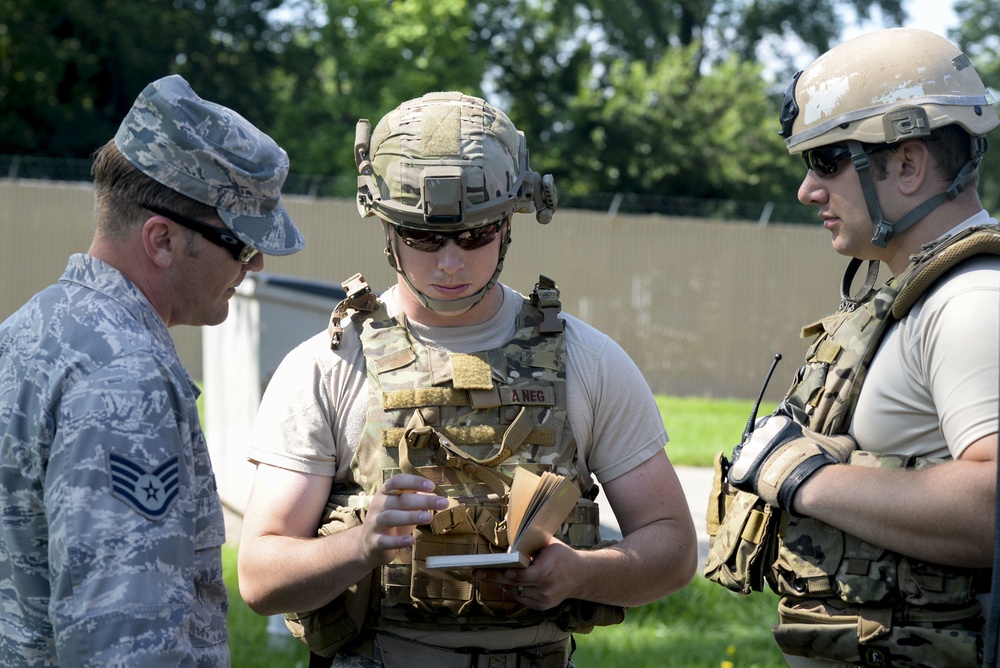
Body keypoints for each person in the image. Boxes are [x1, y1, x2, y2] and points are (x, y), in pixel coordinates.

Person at [237, 91, 698, 667]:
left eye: (475, 235)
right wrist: (361, 545)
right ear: (384, 226)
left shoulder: (587, 360)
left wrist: (582, 573)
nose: (450, 262)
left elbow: (673, 549)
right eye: (424, 238)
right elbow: (259, 577)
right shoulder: (329, 364)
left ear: (510, 224)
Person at [0, 74, 305, 666]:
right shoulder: (126, 379)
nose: (257, 265)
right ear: (161, 240)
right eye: (239, 244)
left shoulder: (30, 329)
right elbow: (124, 644)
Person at [723, 28, 1000, 667]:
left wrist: (806, 479)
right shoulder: (923, 292)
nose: (808, 190)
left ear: (907, 163)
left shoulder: (971, 301)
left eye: (827, 162)